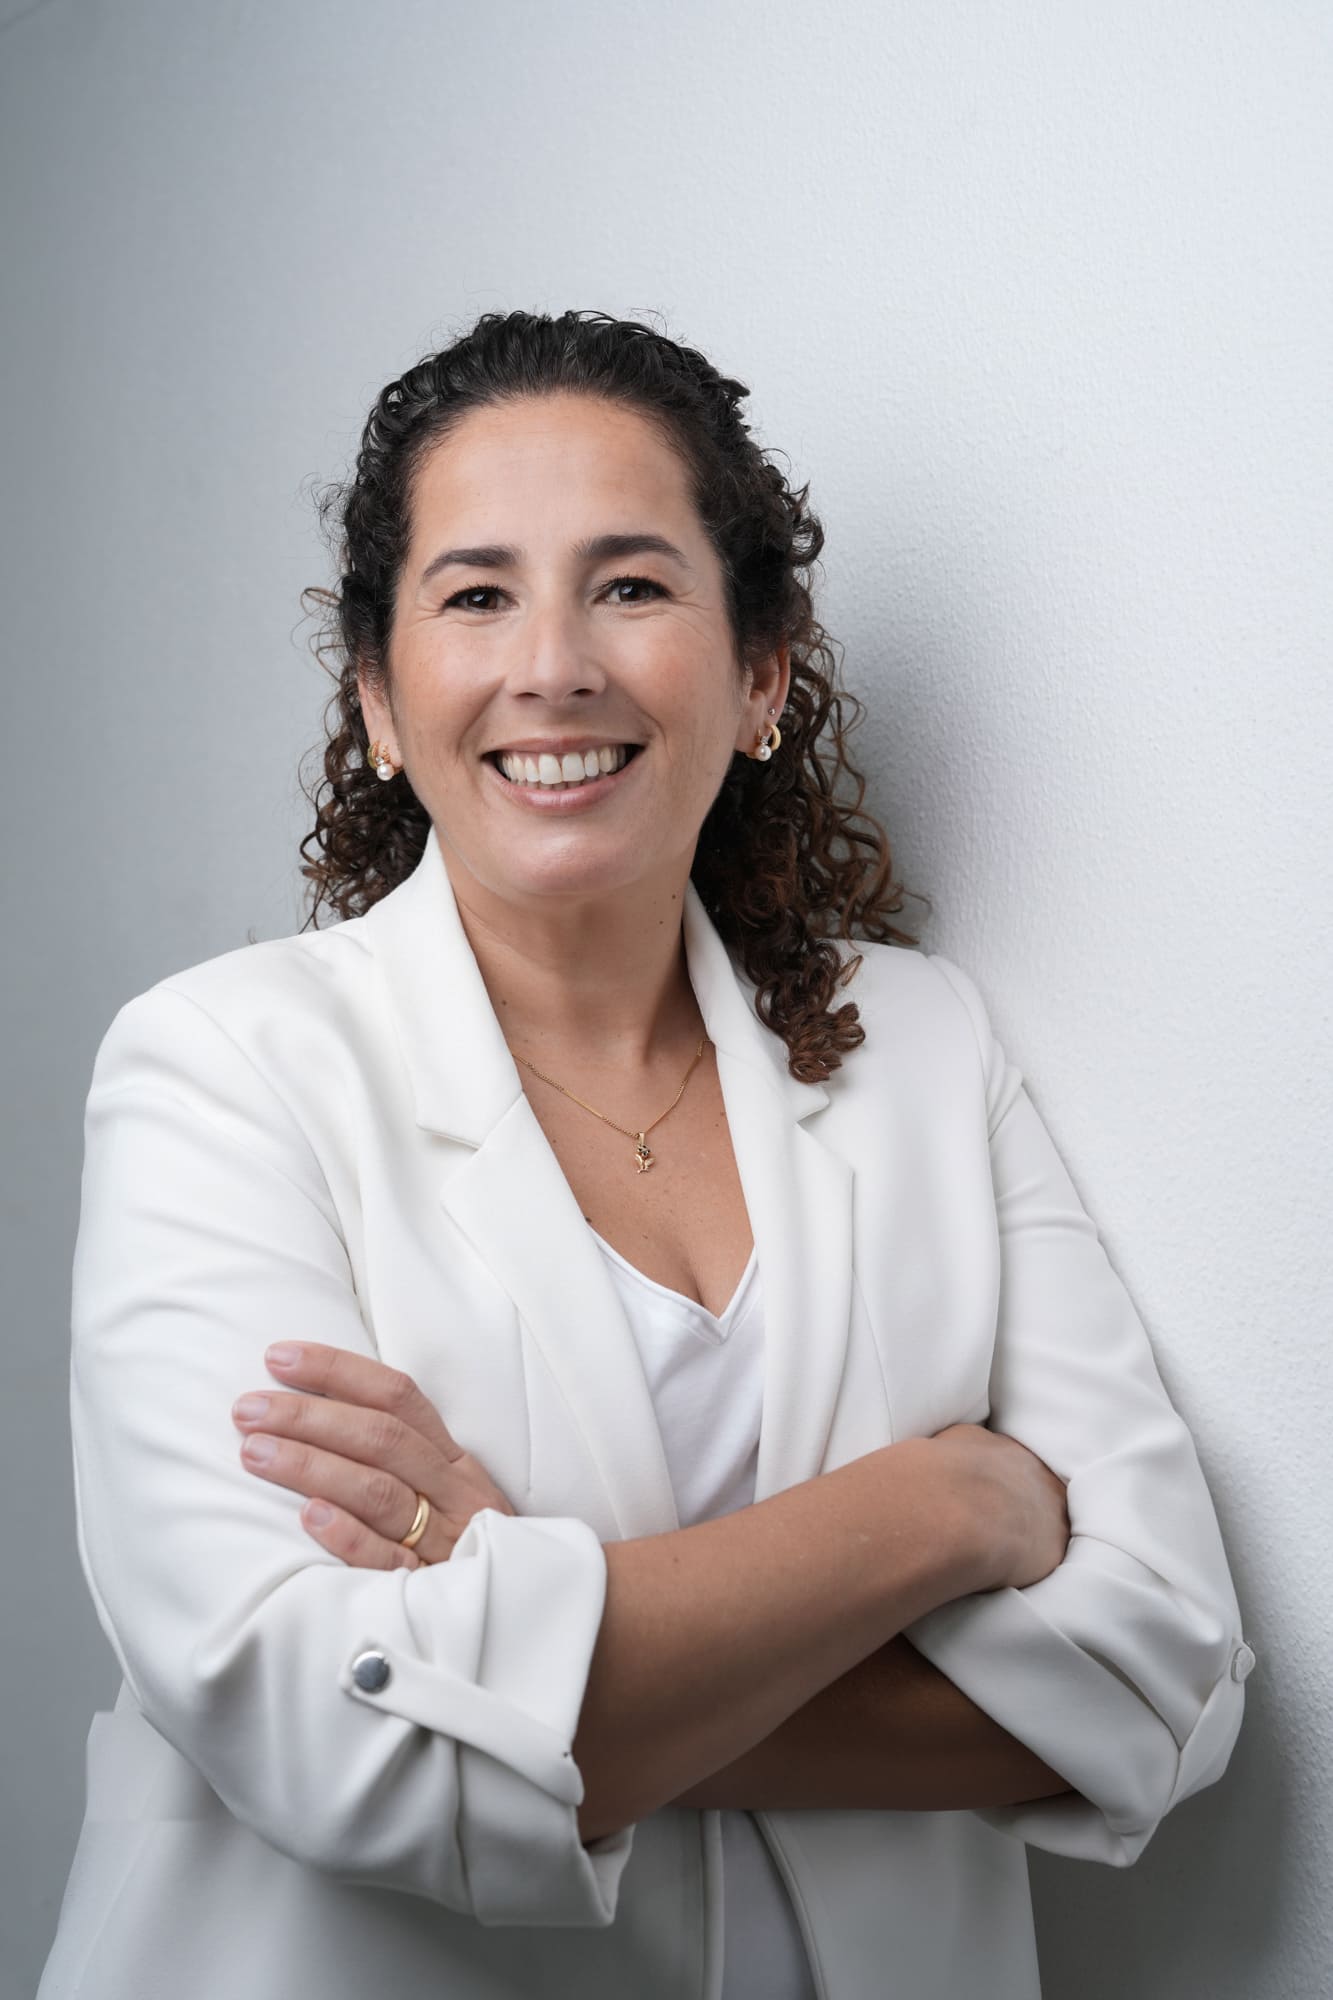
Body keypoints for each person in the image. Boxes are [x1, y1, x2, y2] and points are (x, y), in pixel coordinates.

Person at [38, 309, 1252, 2000]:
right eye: (476, 596)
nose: (553, 666)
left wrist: (534, 1652)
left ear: (759, 677)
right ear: (378, 696)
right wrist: (934, 1510)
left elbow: (1164, 1682)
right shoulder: (222, 1068)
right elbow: (332, 1734)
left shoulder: (923, 1045)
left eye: (628, 585)